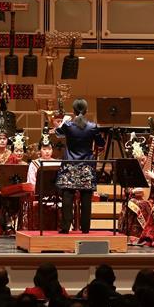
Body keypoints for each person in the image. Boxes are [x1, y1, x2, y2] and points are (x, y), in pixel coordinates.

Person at [54, 99, 104, 234]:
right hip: (87, 165)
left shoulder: (69, 125)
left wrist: (64, 120)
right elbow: (101, 143)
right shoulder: (92, 126)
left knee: (68, 196)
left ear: (74, 111)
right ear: (86, 111)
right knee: (86, 198)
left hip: (70, 165)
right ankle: (85, 228)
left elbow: (57, 133)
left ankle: (65, 227)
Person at [24, 125, 60, 230]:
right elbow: (31, 182)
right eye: (44, 149)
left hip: (56, 196)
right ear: (40, 150)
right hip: (39, 196)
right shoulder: (34, 164)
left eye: (49, 149)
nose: (47, 152)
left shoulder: (58, 163)